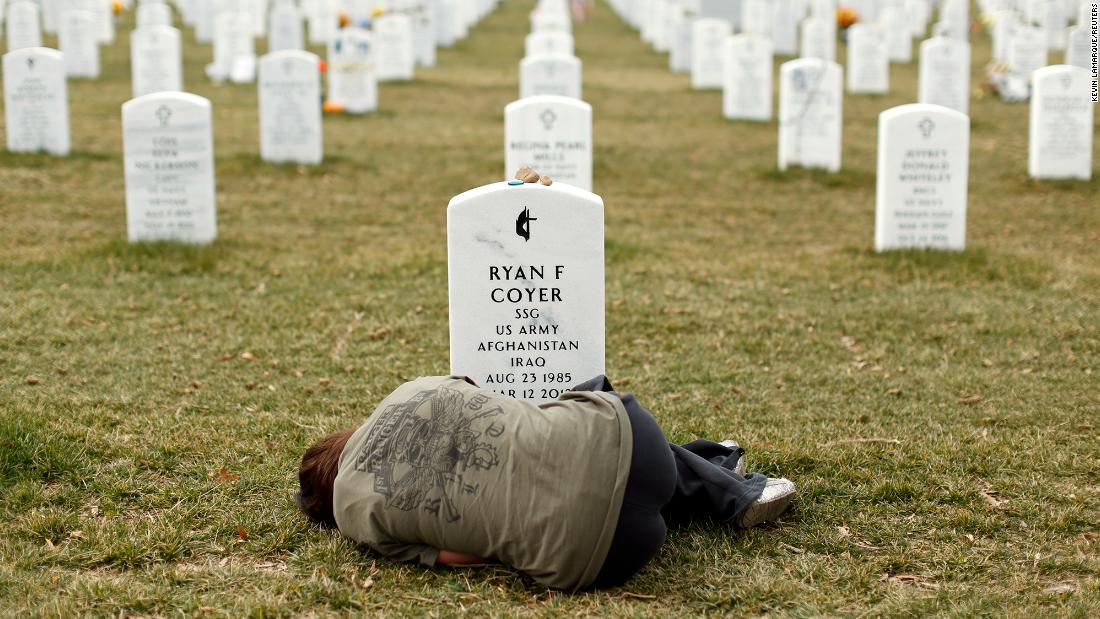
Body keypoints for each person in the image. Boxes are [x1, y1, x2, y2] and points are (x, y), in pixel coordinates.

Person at [296, 375, 796, 591]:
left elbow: (466, 558)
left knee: (602, 487)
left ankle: (714, 467)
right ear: (344, 437)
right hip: (638, 449)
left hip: (596, 557)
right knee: (590, 396)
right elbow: (492, 401)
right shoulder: (407, 393)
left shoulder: (354, 518)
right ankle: (722, 475)